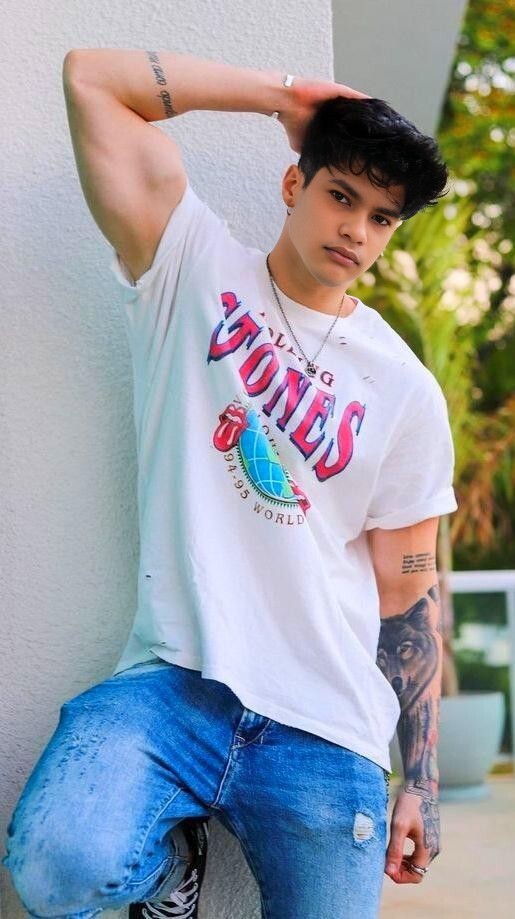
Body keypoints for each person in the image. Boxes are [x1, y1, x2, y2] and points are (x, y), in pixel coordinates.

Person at [2, 49, 458, 919]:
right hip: (176, 683)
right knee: (58, 866)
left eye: (381, 217)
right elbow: (91, 79)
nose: (356, 232)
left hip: (327, 721)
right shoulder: (191, 266)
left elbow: (407, 594)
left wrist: (422, 783)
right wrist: (285, 97)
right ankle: (168, 870)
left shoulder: (403, 389)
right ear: (293, 184)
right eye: (340, 196)